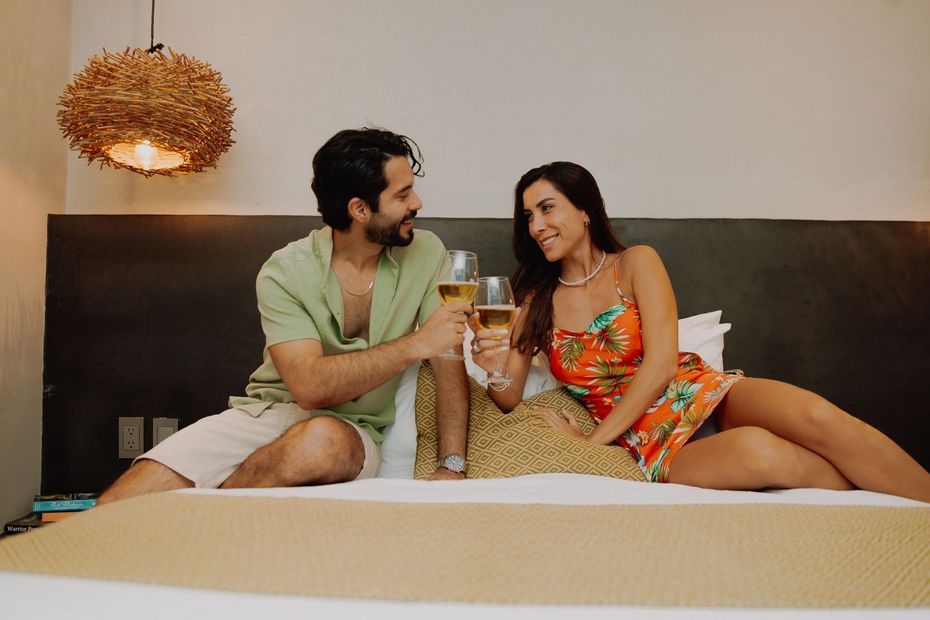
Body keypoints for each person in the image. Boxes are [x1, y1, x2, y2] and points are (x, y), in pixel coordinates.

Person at [470, 161, 930, 502]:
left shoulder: (636, 263)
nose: (536, 226)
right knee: (761, 454)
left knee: (821, 419)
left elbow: (663, 365)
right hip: (646, 441)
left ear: (585, 209)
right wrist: (492, 366)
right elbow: (508, 397)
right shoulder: (535, 300)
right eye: (528, 216)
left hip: (700, 393)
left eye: (547, 209)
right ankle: (879, 487)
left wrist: (591, 443)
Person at [99, 128, 471, 505]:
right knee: (120, 502)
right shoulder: (285, 271)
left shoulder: (426, 253)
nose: (417, 203)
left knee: (319, 440)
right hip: (268, 414)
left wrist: (452, 464)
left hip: (351, 433)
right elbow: (309, 388)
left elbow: (448, 359)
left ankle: (205, 516)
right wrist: (415, 345)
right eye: (402, 195)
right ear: (359, 209)